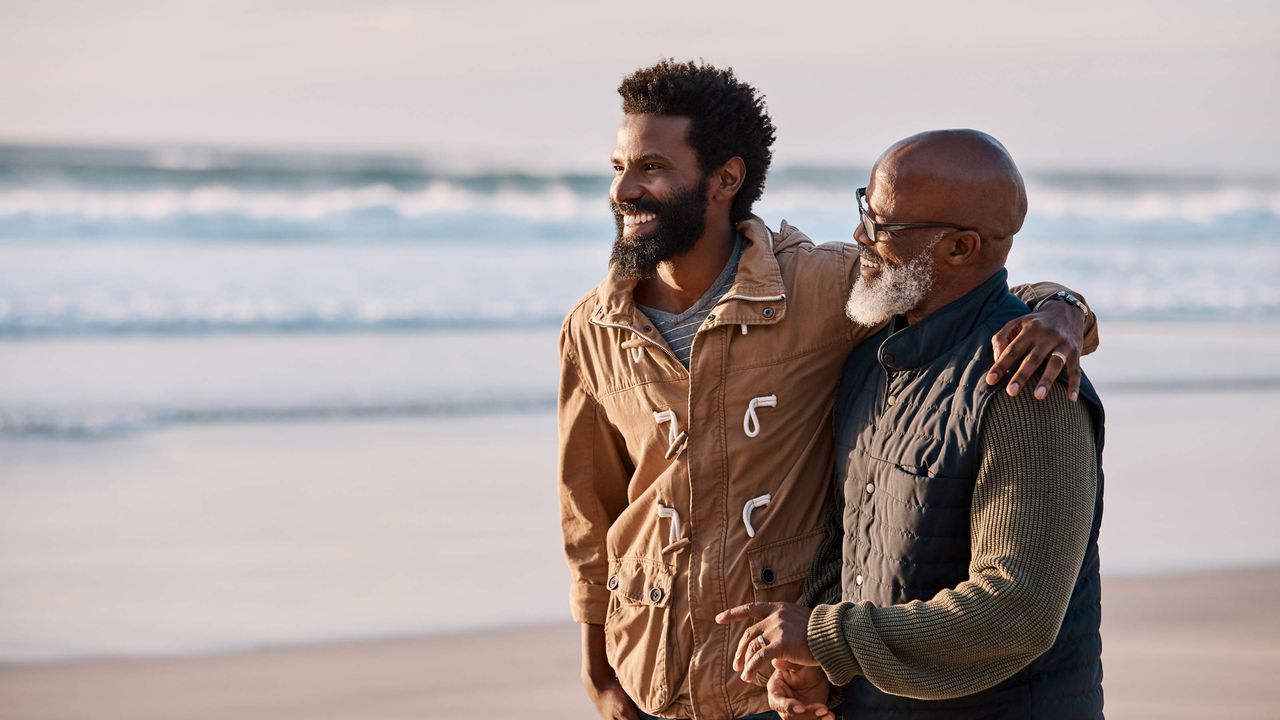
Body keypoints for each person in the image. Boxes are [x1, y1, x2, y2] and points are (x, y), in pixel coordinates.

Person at [559, 61, 1098, 720]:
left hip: (774, 687)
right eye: (618, 166)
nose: (625, 189)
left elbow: (972, 292)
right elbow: (591, 511)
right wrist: (600, 672)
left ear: (725, 179)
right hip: (656, 676)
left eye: (651, 167)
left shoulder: (827, 292)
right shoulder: (593, 327)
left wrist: (1061, 310)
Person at [716, 129, 1106, 720]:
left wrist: (827, 637)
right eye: (863, 209)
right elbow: (846, 547)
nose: (859, 236)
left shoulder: (1030, 388)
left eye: (883, 226)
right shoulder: (871, 360)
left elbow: (1017, 612)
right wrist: (821, 672)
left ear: (959, 247)